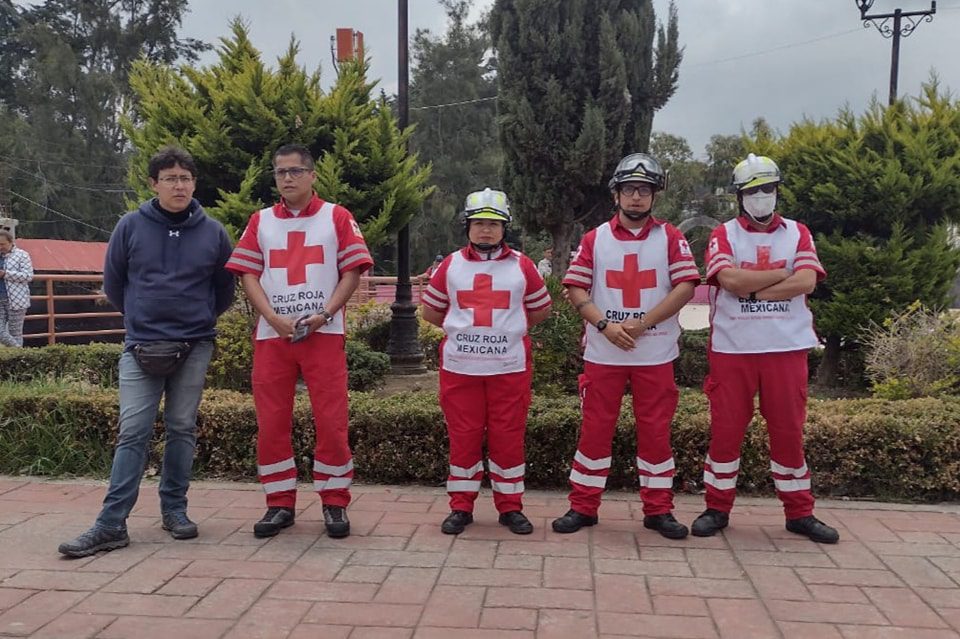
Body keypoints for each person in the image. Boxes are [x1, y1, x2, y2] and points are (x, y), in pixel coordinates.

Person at [58, 146, 235, 558]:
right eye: (170, 178)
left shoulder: (214, 231)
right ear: (154, 184)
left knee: (181, 427)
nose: (180, 185)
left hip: (194, 344)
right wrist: (141, 319)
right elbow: (115, 282)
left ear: (195, 183)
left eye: (186, 178)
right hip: (140, 345)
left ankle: (175, 510)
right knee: (133, 431)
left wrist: (200, 319)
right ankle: (110, 524)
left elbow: (224, 288)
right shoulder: (130, 226)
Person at [226, 143, 373, 539]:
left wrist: (325, 314)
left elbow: (353, 271)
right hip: (272, 336)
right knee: (271, 422)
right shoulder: (260, 221)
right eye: (279, 172)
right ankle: (278, 504)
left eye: (294, 171)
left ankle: (334, 503)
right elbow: (248, 275)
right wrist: (272, 318)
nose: (287, 179)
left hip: (323, 335)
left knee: (331, 421)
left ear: (312, 175)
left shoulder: (336, 217)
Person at [691, 153, 839, 544]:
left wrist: (752, 284)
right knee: (725, 432)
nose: (762, 197)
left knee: (788, 432)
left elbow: (807, 282)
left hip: (786, 349)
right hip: (733, 349)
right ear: (740, 196)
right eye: (754, 191)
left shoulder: (797, 232)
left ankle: (800, 512)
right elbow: (729, 280)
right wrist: (780, 275)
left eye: (768, 189)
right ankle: (716, 508)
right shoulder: (723, 234)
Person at [552, 153, 699, 539]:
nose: (637, 197)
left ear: (654, 196)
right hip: (603, 354)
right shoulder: (594, 238)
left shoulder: (670, 237)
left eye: (645, 190)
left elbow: (686, 285)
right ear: (617, 193)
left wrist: (641, 323)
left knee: (656, 433)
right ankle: (582, 507)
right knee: (594, 431)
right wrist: (604, 324)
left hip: (656, 353)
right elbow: (575, 287)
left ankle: (658, 510)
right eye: (630, 189)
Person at [421, 188, 551, 534]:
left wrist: (508, 332)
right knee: (462, 437)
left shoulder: (522, 265)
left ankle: (510, 507)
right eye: (479, 223)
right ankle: (461, 507)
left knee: (508, 437)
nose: (486, 230)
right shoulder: (450, 264)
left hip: (509, 369)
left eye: (494, 224)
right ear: (467, 226)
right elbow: (431, 311)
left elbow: (541, 308)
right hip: (460, 369)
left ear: (505, 228)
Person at [0, 230, 33, 347]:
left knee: (15, 333)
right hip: (1, 300)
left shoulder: (22, 255)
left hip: (17, 300)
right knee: (1, 332)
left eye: (2, 244)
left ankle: (18, 360)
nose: (0, 247)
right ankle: (22, 355)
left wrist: (5, 274)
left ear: (10, 242)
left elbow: (28, 276)